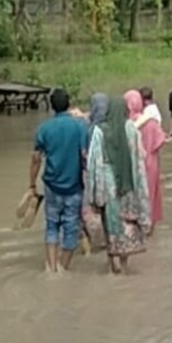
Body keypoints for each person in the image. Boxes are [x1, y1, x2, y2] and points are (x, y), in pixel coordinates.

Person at [86, 98, 151, 274]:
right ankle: (124, 263)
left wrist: (93, 194)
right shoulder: (132, 129)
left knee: (111, 222)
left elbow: (94, 163)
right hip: (128, 181)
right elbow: (139, 158)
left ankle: (111, 262)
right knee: (127, 223)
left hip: (108, 183)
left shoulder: (100, 131)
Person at [30, 88, 88, 272]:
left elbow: (36, 159)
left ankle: (52, 268)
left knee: (52, 226)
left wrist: (31, 184)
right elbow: (85, 155)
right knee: (71, 228)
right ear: (69, 104)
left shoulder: (44, 129)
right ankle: (63, 267)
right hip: (74, 186)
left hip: (51, 187)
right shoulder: (80, 127)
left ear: (52, 107)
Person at [125, 90, 169, 232]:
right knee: (150, 192)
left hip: (131, 164)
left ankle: (134, 224)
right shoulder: (149, 121)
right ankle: (149, 225)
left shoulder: (125, 124)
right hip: (150, 163)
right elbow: (161, 140)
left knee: (133, 194)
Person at [80, 93, 109, 252]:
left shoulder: (88, 128)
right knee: (106, 210)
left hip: (88, 175)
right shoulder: (115, 127)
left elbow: (82, 152)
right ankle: (107, 242)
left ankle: (88, 241)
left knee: (88, 209)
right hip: (108, 177)